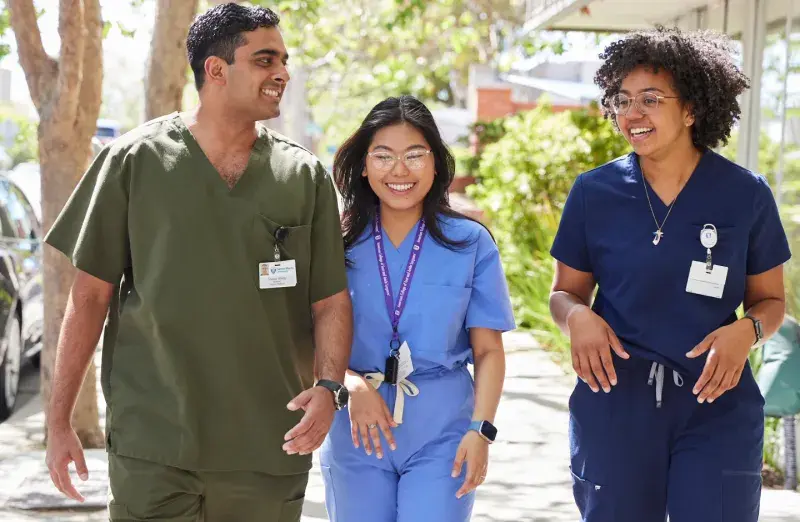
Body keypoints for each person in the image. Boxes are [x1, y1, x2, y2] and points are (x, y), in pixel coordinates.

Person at [42, 4, 353, 521]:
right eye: (265, 59)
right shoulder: (133, 162)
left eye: (284, 60)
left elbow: (330, 301)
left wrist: (329, 389)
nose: (283, 73)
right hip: (155, 443)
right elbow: (89, 297)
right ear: (216, 69)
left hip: (268, 445)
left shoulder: (304, 177)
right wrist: (58, 422)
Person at [549, 26, 791, 522]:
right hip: (615, 403)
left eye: (650, 99)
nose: (631, 113)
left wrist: (748, 331)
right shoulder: (594, 193)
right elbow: (564, 294)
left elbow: (771, 301)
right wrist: (577, 318)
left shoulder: (745, 194)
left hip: (715, 405)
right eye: (622, 99)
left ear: (691, 109)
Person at [319, 95, 516, 522]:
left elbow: (488, 351)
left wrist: (480, 430)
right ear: (364, 165)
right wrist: (350, 385)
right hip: (357, 427)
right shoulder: (333, 242)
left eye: (414, 155)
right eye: (383, 156)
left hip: (443, 431)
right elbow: (306, 335)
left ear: (436, 163)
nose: (399, 171)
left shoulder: (471, 243)